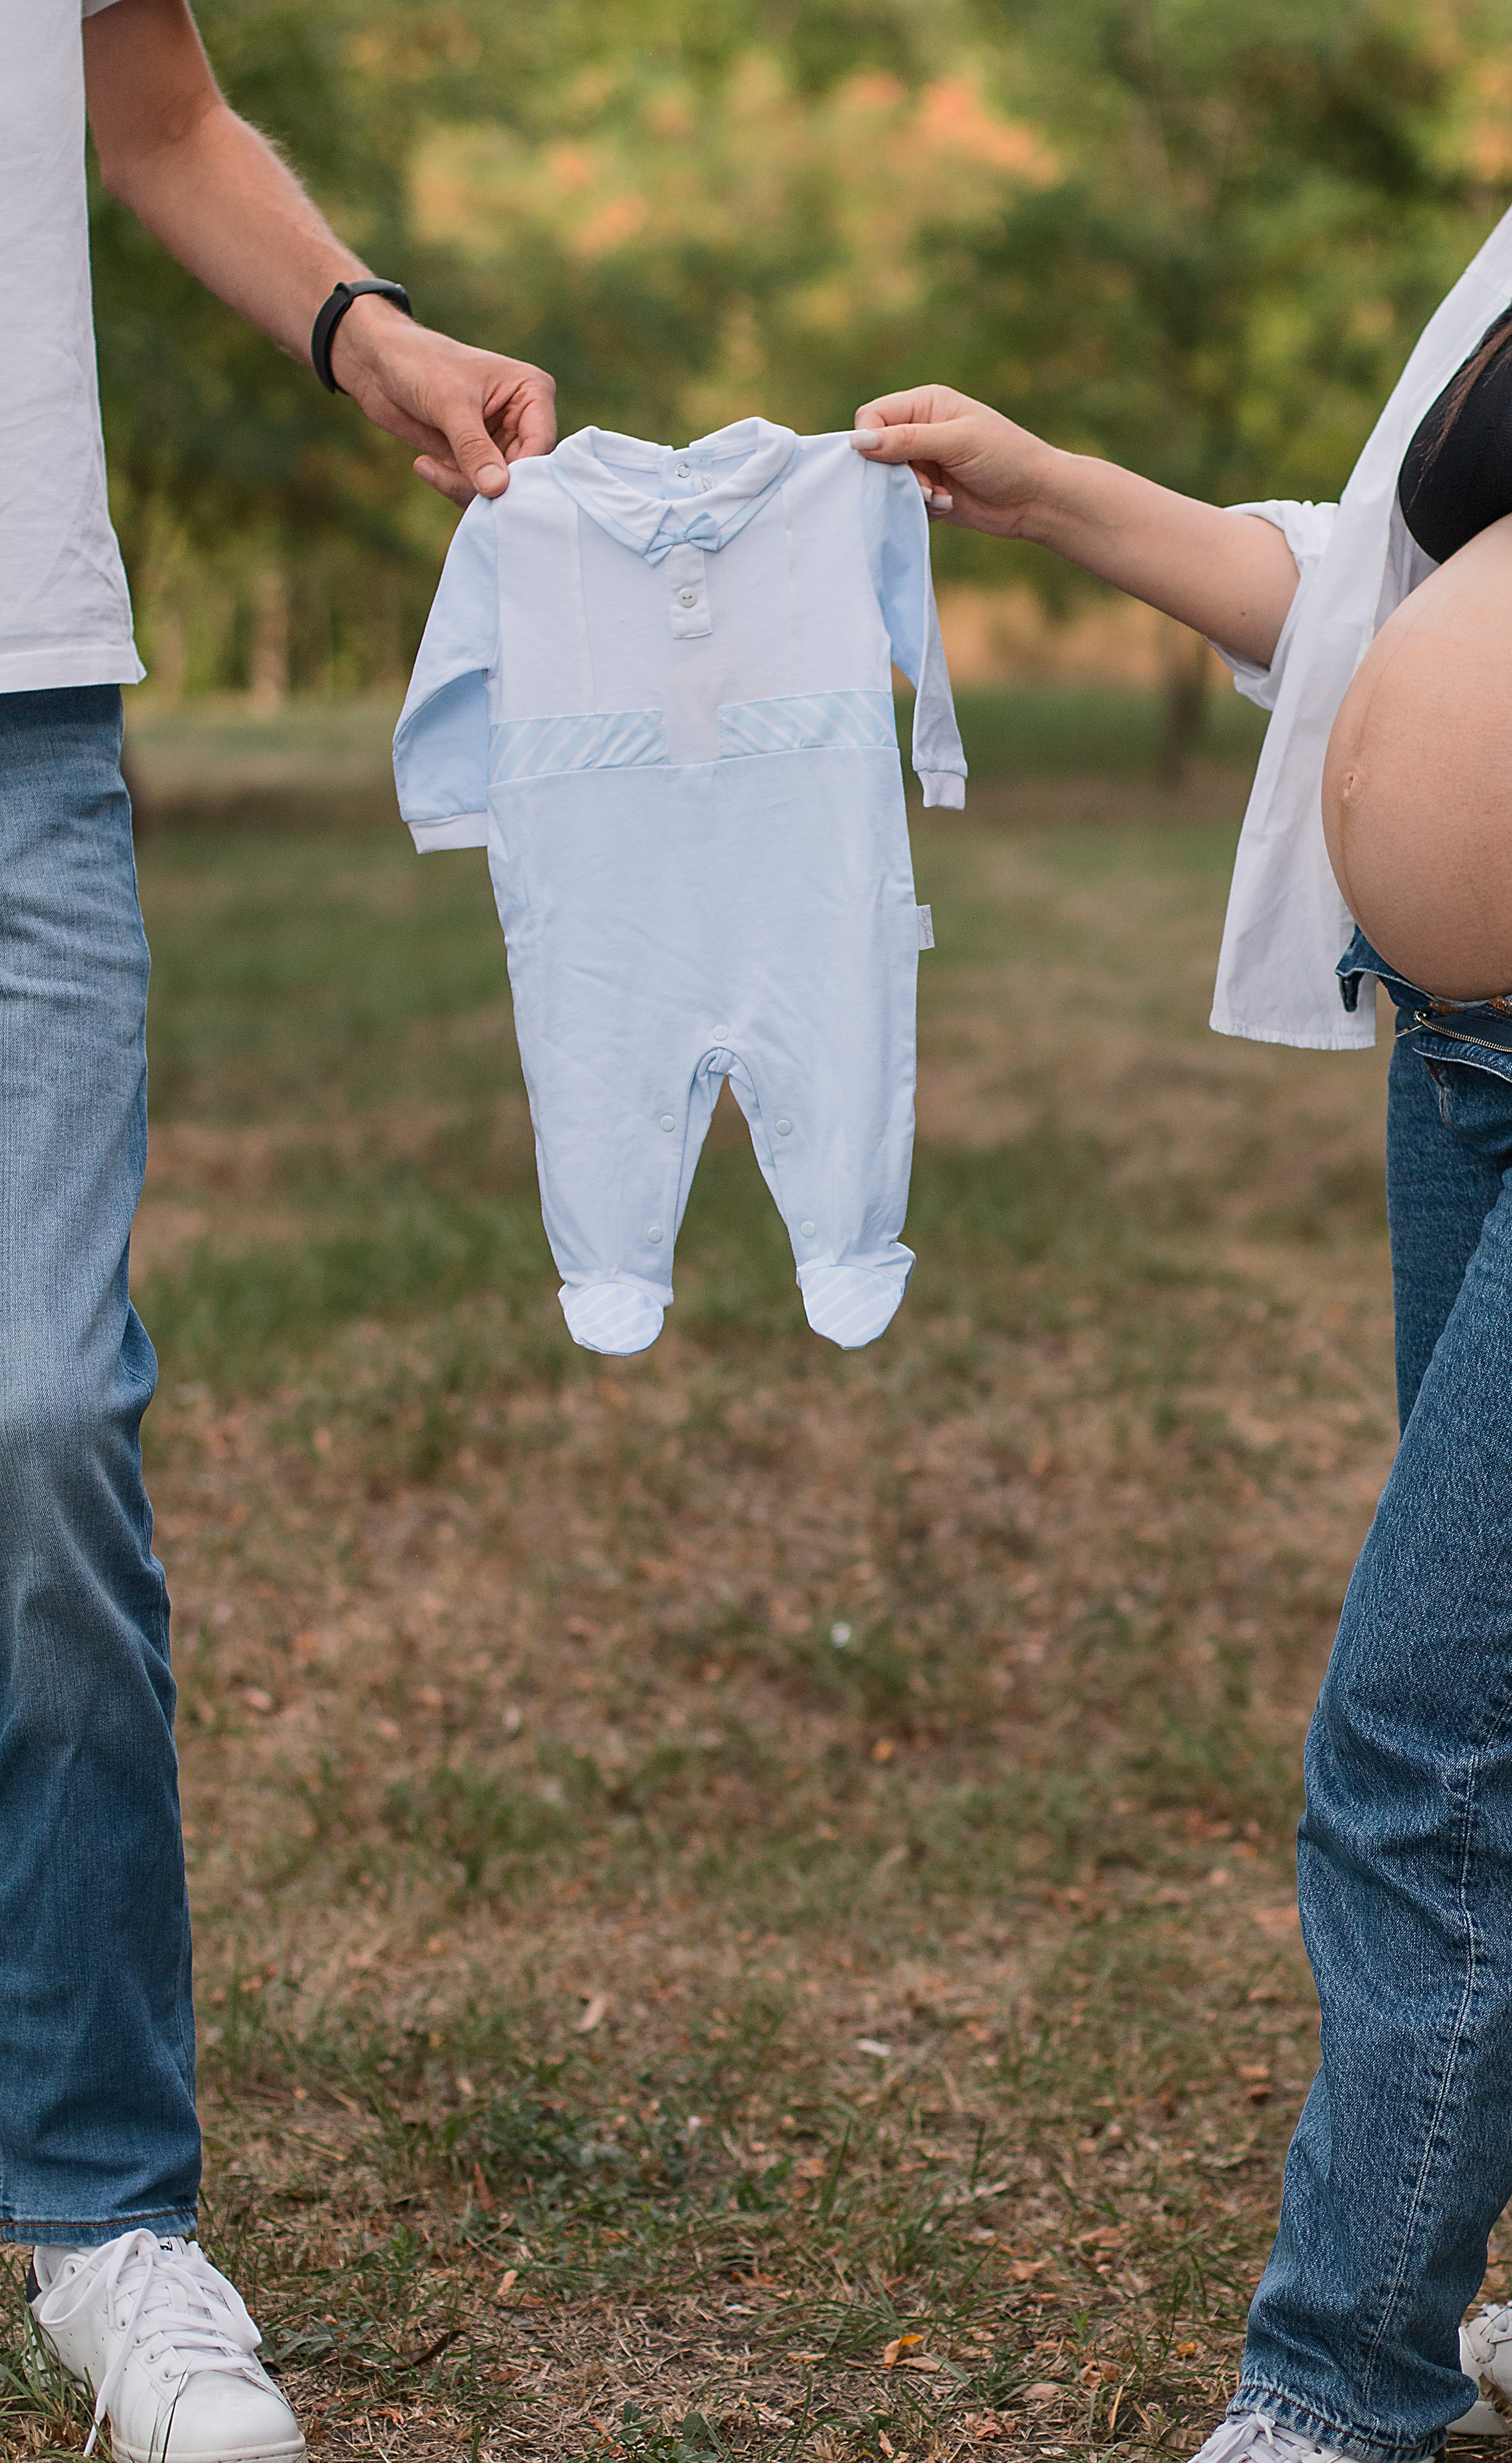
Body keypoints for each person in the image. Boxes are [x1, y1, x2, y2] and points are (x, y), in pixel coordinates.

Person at [853, 22, 1512, 2463]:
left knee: (1440, 1739)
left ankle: (1333, 2390)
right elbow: (1375, 590)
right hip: (1488, 1067)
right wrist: (1051, 490)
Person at [1, 1, 553, 2456]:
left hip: (10, 716)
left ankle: (104, 2214)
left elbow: (153, 110)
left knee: (38, 1414)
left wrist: (366, 331)